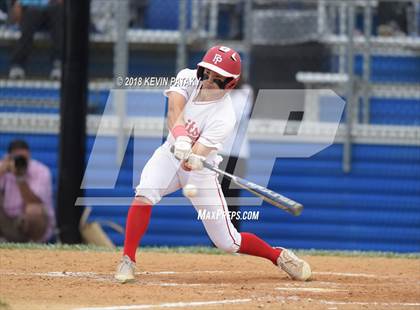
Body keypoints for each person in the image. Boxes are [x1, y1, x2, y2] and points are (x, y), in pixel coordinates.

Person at [114, 45, 311, 283]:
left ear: (229, 84)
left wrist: (194, 156)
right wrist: (182, 137)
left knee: (228, 242)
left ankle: (277, 255)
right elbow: (174, 110)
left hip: (199, 170)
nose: (207, 81)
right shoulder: (187, 77)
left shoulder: (225, 116)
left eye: (216, 79)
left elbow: (194, 158)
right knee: (144, 193)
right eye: (205, 73)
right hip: (169, 154)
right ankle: (128, 260)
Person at [0, 139, 55, 242]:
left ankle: (32, 245)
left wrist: (20, 178)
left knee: (34, 210)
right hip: (7, 221)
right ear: (9, 157)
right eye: (17, 158)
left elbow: (34, 202)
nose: (21, 162)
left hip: (31, 224)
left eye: (24, 158)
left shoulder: (41, 171)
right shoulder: (4, 168)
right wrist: (2, 170)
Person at [218, 79, 253, 231]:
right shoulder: (218, 94)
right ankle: (217, 243)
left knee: (232, 199)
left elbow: (232, 117)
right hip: (218, 153)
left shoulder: (245, 92)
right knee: (217, 201)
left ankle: (235, 240)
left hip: (237, 156)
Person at [8, 0, 63, 80]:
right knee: (31, 12)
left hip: (53, 9)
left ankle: (59, 64)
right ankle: (17, 65)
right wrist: (18, 3)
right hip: (31, 9)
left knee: (58, 10)